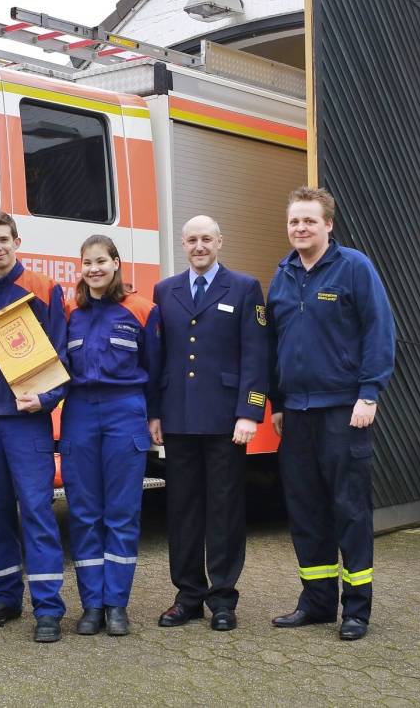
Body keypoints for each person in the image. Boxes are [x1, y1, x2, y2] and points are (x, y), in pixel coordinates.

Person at [266, 187, 395, 642]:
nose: (300, 228)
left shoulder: (354, 267)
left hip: (343, 410)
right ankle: (317, 603)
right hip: (296, 414)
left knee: (349, 510)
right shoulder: (281, 275)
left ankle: (356, 609)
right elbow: (274, 346)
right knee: (306, 511)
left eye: (309, 221)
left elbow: (379, 330)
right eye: (294, 222)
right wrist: (278, 404)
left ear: (328, 225)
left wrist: (369, 393)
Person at [151, 215, 267, 632]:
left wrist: (249, 412)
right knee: (182, 512)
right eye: (192, 240)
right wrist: (155, 413)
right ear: (183, 245)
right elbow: (157, 356)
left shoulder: (243, 288)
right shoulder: (165, 291)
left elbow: (255, 354)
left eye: (206, 239)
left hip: (225, 421)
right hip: (179, 418)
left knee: (224, 512)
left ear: (220, 241)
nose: (199, 246)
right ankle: (187, 597)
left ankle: (222, 599)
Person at [0, 211, 69, 643]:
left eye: (4, 239)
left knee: (38, 512)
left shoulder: (43, 289)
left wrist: (44, 401)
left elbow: (62, 356)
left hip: (27, 421)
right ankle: (4, 597)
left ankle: (48, 607)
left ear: (17, 241)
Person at [60, 235, 161, 637]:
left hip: (125, 411)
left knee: (121, 513)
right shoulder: (69, 311)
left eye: (101, 261)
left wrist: (155, 416)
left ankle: (117, 605)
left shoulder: (142, 310)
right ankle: (92, 605)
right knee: (84, 513)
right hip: (80, 411)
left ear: (116, 263)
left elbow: (157, 368)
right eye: (87, 263)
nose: (94, 269)